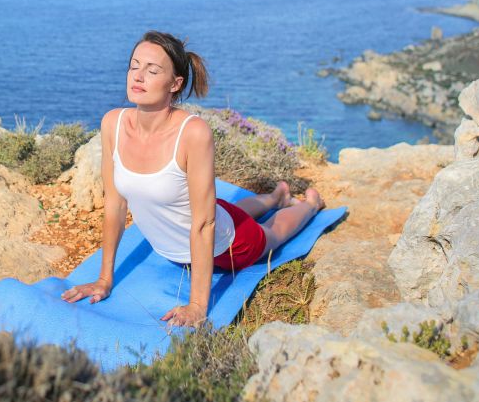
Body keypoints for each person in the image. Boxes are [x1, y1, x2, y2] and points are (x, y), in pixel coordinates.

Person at [60, 30, 325, 327]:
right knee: (226, 210)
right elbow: (115, 206)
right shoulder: (113, 123)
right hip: (199, 226)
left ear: (175, 84)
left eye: (152, 70)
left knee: (270, 233)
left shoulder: (193, 132)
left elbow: (205, 223)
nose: (138, 76)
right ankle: (276, 196)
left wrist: (198, 305)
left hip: (225, 246)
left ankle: (309, 205)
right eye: (134, 66)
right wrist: (104, 279)